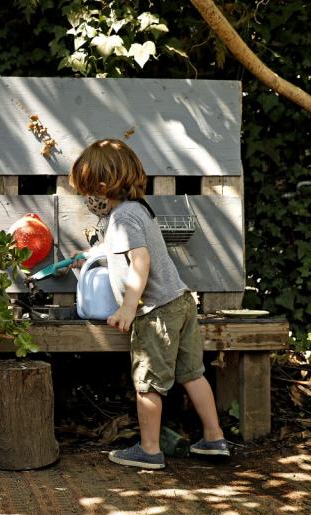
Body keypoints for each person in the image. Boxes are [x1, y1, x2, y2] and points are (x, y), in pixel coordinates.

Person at [69, 139, 230, 470]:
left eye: (87, 189)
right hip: (181, 303)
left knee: (147, 381)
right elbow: (127, 251)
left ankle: (149, 449)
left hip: (155, 312)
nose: (87, 198)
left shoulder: (122, 218)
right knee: (192, 374)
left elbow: (140, 261)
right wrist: (88, 257)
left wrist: (129, 306)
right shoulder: (138, 209)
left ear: (102, 186)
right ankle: (214, 438)